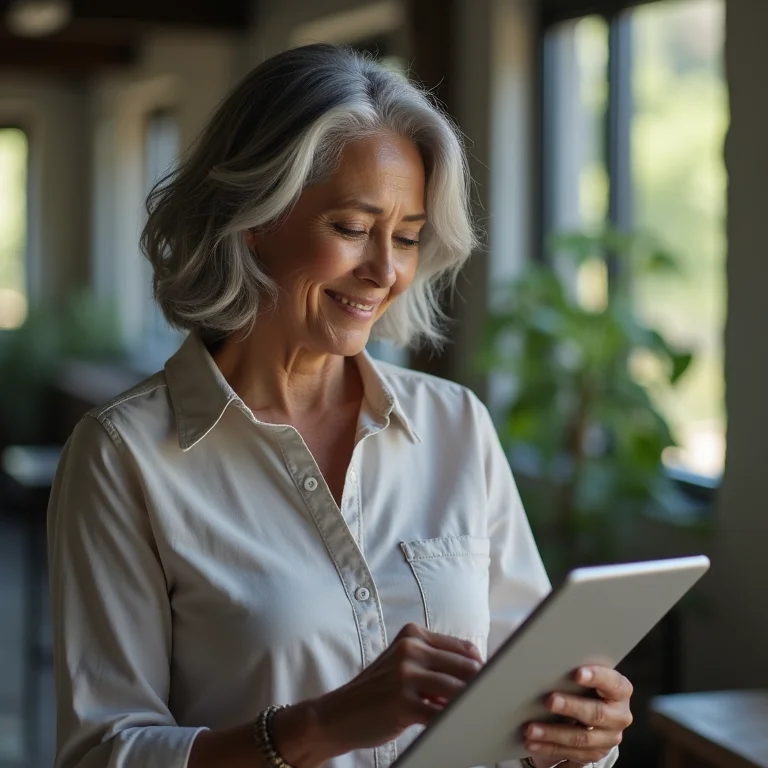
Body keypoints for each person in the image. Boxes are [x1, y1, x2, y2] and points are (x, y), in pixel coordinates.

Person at [47, 43, 633, 768]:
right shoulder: (124, 455)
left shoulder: (455, 425)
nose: (386, 271)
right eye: (352, 228)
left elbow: (524, 685)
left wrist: (580, 732)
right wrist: (320, 726)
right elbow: (106, 752)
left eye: (408, 237)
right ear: (252, 218)